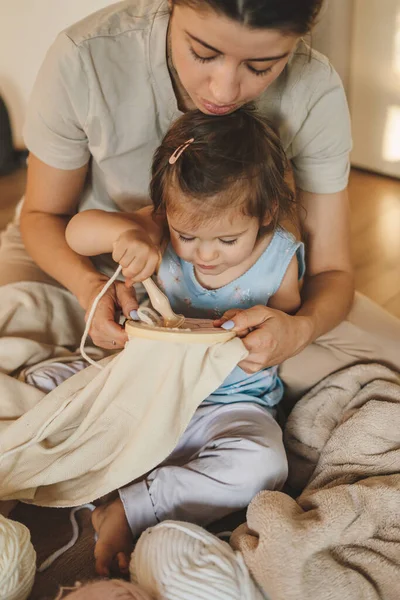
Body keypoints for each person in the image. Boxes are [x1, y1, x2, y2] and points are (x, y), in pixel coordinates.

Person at [0, 0, 398, 573]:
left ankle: (132, 493)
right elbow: (48, 218)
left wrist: (296, 329)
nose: (224, 87)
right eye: (203, 52)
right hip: (81, 252)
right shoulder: (88, 58)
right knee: (25, 348)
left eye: (261, 66)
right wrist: (90, 284)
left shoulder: (311, 104)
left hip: (226, 385)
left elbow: (329, 272)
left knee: (378, 382)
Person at [66, 107, 304, 576]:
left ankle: (130, 506)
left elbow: (288, 319)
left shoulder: (279, 257)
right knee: (66, 406)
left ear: (267, 213)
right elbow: (76, 233)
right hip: (147, 394)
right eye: (187, 235)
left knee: (264, 466)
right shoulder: (159, 229)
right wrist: (125, 233)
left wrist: (267, 329)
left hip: (232, 407)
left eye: (227, 240)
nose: (204, 254)